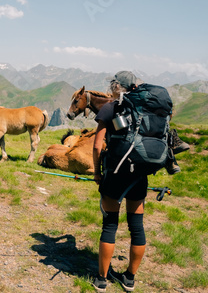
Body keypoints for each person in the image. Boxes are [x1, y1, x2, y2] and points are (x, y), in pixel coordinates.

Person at [92, 71, 148, 292]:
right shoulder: (147, 109)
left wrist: (97, 173)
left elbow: (97, 146)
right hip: (139, 177)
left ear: (117, 86)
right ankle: (130, 279)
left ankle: (101, 280)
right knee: (137, 228)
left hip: (114, 174)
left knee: (110, 225)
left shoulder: (109, 108)